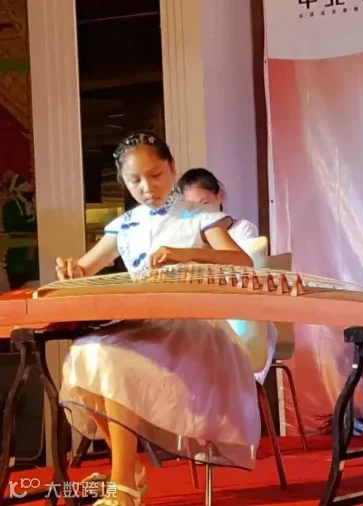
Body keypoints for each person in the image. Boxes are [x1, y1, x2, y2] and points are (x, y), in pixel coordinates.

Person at [55, 131, 262, 506]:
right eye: (135, 180)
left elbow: (241, 262)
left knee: (111, 359)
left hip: (189, 329)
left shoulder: (199, 216)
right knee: (84, 353)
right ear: (123, 181)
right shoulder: (125, 224)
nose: (147, 188)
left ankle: (123, 486)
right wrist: (72, 269)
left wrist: (187, 254)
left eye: (155, 175)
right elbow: (85, 268)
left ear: (172, 168)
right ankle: (128, 468)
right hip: (139, 326)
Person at [178, 167, 276, 385]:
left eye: (204, 203)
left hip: (239, 310)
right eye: (191, 207)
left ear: (220, 195)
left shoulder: (242, 229)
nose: (200, 213)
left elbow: (245, 271)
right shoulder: (189, 236)